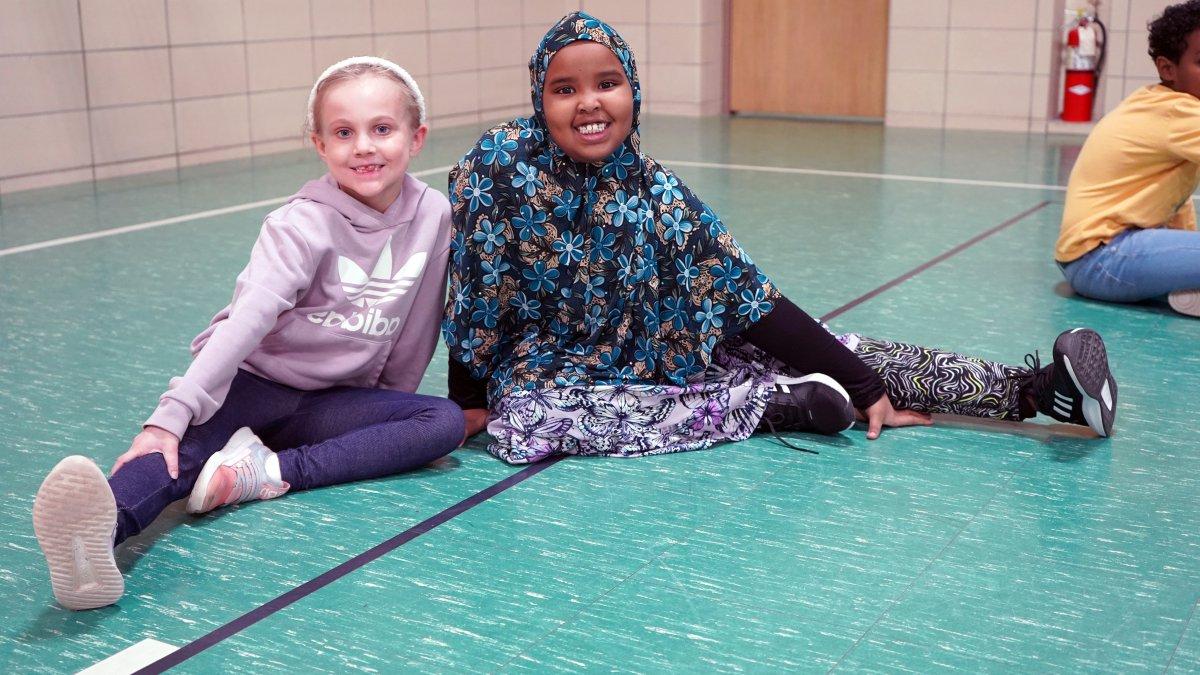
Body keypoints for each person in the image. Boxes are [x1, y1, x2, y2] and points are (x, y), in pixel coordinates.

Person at [440, 12, 1119, 466]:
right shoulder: (499, 171)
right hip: (553, 368)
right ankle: (777, 405)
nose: (589, 102)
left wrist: (863, 382)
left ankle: (1035, 392)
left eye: (607, 83)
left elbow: (752, 301)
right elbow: (475, 290)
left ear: (633, 92)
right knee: (531, 417)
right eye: (565, 89)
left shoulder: (660, 195)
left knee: (844, 350)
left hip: (663, 349)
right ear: (540, 99)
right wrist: (467, 399)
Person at [32, 57, 464, 611]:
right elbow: (244, 324)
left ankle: (266, 472)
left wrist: (384, 410)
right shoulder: (299, 225)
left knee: (440, 422)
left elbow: (417, 323)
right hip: (253, 384)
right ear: (319, 144)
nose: (363, 147)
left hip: (329, 403)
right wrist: (168, 418)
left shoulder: (434, 216)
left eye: (382, 129)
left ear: (416, 137)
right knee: (177, 459)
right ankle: (94, 539)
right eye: (343, 133)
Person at [1057, 0, 1200, 316]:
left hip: (1097, 257)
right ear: (1168, 69)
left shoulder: (1162, 104)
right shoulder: (1179, 111)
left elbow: (1176, 201)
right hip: (1101, 258)